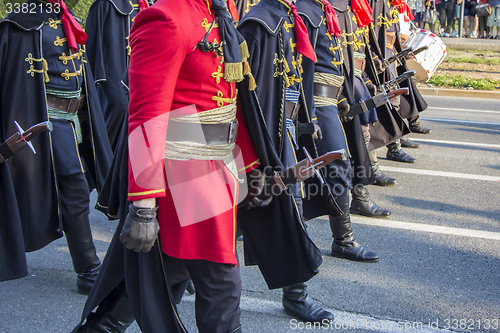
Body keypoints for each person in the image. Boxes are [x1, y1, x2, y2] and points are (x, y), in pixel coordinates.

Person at [0, 0, 112, 293]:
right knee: (73, 185)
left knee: (86, 178)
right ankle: (88, 270)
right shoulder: (20, 22)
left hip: (75, 117)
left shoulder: (64, 14)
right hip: (46, 119)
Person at [237, 0, 336, 322]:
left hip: (284, 132)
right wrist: (263, 153)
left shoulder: (290, 18)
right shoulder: (259, 23)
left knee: (289, 208)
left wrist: (306, 121)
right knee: (227, 216)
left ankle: (295, 294)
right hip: (259, 138)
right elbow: (249, 94)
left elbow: (295, 79)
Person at [295, 0, 383, 258]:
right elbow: (303, 66)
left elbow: (333, 62)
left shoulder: (323, 8)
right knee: (337, 165)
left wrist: (343, 98)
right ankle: (344, 240)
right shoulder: (306, 9)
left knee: (335, 166)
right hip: (316, 102)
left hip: (331, 99)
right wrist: (308, 113)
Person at [85, 0, 150, 151]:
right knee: (118, 110)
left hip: (144, 79)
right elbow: (93, 51)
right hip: (114, 78)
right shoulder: (105, 5)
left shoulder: (152, 4)